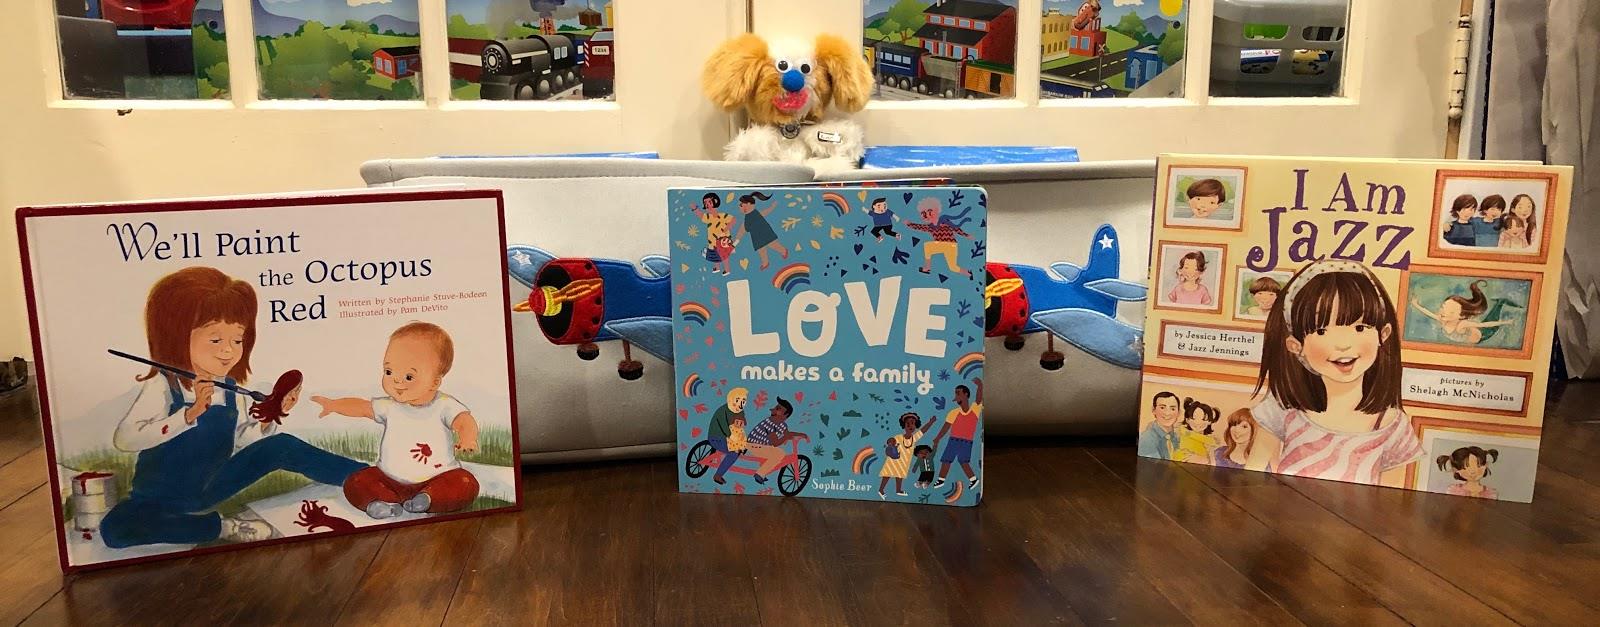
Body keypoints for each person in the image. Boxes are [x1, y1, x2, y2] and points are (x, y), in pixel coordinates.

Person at [101, 267, 367, 548]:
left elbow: (242, 440)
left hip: (208, 489)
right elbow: (125, 439)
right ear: (176, 335)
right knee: (115, 530)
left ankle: (365, 477)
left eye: (237, 340)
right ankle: (221, 527)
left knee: (281, 446)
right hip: (158, 499)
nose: (228, 350)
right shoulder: (165, 385)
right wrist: (188, 415)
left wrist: (268, 417)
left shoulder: (229, 389)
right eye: (215, 339)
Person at [1251, 260, 1423, 485]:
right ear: (1295, 345)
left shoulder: (1393, 424)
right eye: (1322, 331)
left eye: (1360, 328)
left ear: (1383, 334)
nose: (1343, 345)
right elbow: (1251, 473)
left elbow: (1396, 494)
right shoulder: (1282, 407)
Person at [313, 322, 482, 518]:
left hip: (437, 478)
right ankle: (382, 504)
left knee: (465, 483)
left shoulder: (444, 404)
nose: (396, 380)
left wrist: (468, 438)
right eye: (389, 372)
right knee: (356, 481)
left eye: (409, 376)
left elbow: (463, 420)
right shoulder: (389, 406)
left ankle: (427, 499)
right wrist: (334, 405)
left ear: (435, 381)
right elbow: (362, 407)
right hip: (389, 479)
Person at [1409, 280, 1515, 344]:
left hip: (1484, 334)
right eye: (1443, 307)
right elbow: (1428, 313)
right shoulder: (1443, 320)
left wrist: (1505, 322)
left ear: (1461, 316)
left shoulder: (1462, 324)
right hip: (1474, 334)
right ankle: (1499, 302)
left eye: (1451, 312)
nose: (1444, 312)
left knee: (1493, 315)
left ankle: (1500, 302)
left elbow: (1485, 325)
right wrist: (1416, 304)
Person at [904, 197, 974, 277]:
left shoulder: (944, 221)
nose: (926, 216)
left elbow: (956, 228)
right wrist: (909, 224)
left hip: (951, 246)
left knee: (929, 247)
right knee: (952, 266)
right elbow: (920, 227)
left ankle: (928, 268)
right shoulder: (930, 227)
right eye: (923, 214)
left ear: (937, 210)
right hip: (943, 245)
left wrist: (966, 235)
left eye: (929, 212)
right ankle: (968, 274)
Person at [932, 378, 982, 489]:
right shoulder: (953, 413)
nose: (956, 396)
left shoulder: (975, 409)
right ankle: (941, 480)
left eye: (958, 393)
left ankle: (973, 479)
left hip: (966, 441)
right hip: (953, 440)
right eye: (956, 393)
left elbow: (978, 399)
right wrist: (938, 438)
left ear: (966, 394)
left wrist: (980, 386)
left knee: (963, 461)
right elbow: (946, 427)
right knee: (946, 459)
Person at [744, 398, 806, 484]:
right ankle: (760, 474)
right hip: (753, 446)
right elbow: (775, 443)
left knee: (774, 452)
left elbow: (787, 433)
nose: (773, 410)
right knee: (779, 453)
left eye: (778, 409)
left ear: (785, 415)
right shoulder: (771, 422)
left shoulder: (782, 424)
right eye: (776, 408)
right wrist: (785, 437)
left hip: (762, 446)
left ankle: (763, 471)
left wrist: (801, 435)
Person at [878, 412, 932, 499]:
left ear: (916, 426)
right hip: (893, 461)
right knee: (887, 474)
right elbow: (890, 446)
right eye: (908, 423)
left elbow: (922, 431)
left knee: (900, 475)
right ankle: (881, 490)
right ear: (904, 425)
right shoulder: (898, 437)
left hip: (903, 462)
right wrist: (891, 452)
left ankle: (898, 490)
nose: (910, 425)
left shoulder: (914, 438)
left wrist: (930, 423)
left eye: (913, 423)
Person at [731, 192, 788, 270]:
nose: (741, 208)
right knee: (761, 250)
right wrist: (735, 243)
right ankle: (765, 262)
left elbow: (766, 211)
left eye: (742, 205)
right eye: (740, 206)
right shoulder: (746, 220)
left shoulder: (757, 213)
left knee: (773, 244)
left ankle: (783, 250)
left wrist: (772, 206)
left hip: (765, 233)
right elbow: (741, 231)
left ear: (750, 204)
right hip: (757, 237)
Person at [705, 388, 748, 485]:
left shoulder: (740, 411)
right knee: (733, 453)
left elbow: (742, 425)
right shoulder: (722, 411)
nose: (740, 404)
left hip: (733, 437)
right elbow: (723, 426)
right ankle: (718, 475)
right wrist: (731, 436)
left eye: (743, 401)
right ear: (730, 399)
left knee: (740, 446)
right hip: (717, 437)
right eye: (737, 400)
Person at [693, 192, 735, 269]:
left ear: (715, 201)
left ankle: (727, 269)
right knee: (714, 256)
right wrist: (695, 209)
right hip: (712, 242)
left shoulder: (722, 216)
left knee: (724, 256)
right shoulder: (708, 217)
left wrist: (726, 229)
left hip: (723, 242)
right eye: (705, 203)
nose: (707, 205)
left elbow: (733, 219)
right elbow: (701, 215)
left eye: (709, 202)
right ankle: (717, 267)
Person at [1173, 398, 1220, 463]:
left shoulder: (1210, 441)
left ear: (1210, 421)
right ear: (1187, 420)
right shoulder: (1180, 433)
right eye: (1193, 418)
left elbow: (1213, 463)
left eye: (1203, 419)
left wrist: (1204, 460)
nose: (1198, 423)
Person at [1137, 392, 1182, 460]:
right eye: (1162, 408)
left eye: (1172, 409)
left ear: (1179, 412)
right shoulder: (1147, 439)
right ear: (1153, 410)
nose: (1167, 413)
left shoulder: (1177, 437)